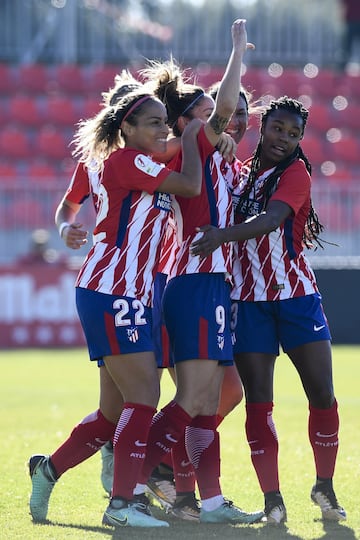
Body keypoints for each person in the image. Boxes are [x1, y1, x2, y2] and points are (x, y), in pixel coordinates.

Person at [28, 85, 204, 528]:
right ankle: (123, 506)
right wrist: (190, 135)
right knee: (145, 394)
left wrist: (188, 134)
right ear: (125, 126)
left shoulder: (136, 159)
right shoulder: (126, 160)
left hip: (131, 292)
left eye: (166, 120)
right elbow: (190, 184)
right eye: (154, 122)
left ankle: (47, 470)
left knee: (112, 414)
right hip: (112, 290)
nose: (164, 128)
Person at [130, 19, 264, 525]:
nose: (224, 121)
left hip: (211, 285)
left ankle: (208, 502)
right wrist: (235, 52)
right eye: (208, 115)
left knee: (208, 400)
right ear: (187, 123)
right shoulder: (195, 148)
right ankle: (137, 481)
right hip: (193, 281)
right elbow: (226, 107)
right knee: (193, 397)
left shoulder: (221, 161)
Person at [190, 96, 347, 524]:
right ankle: (273, 499)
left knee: (322, 396)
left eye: (294, 133)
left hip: (297, 299)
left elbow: (272, 219)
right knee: (259, 403)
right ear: (263, 126)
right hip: (249, 304)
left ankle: (325, 487)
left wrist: (221, 235)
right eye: (278, 129)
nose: (284, 139)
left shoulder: (296, 173)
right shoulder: (240, 175)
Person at [338, 0, 360, 70]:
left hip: (351, 21)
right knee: (347, 47)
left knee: (347, 47)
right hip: (351, 21)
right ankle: (343, 68)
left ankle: (342, 68)